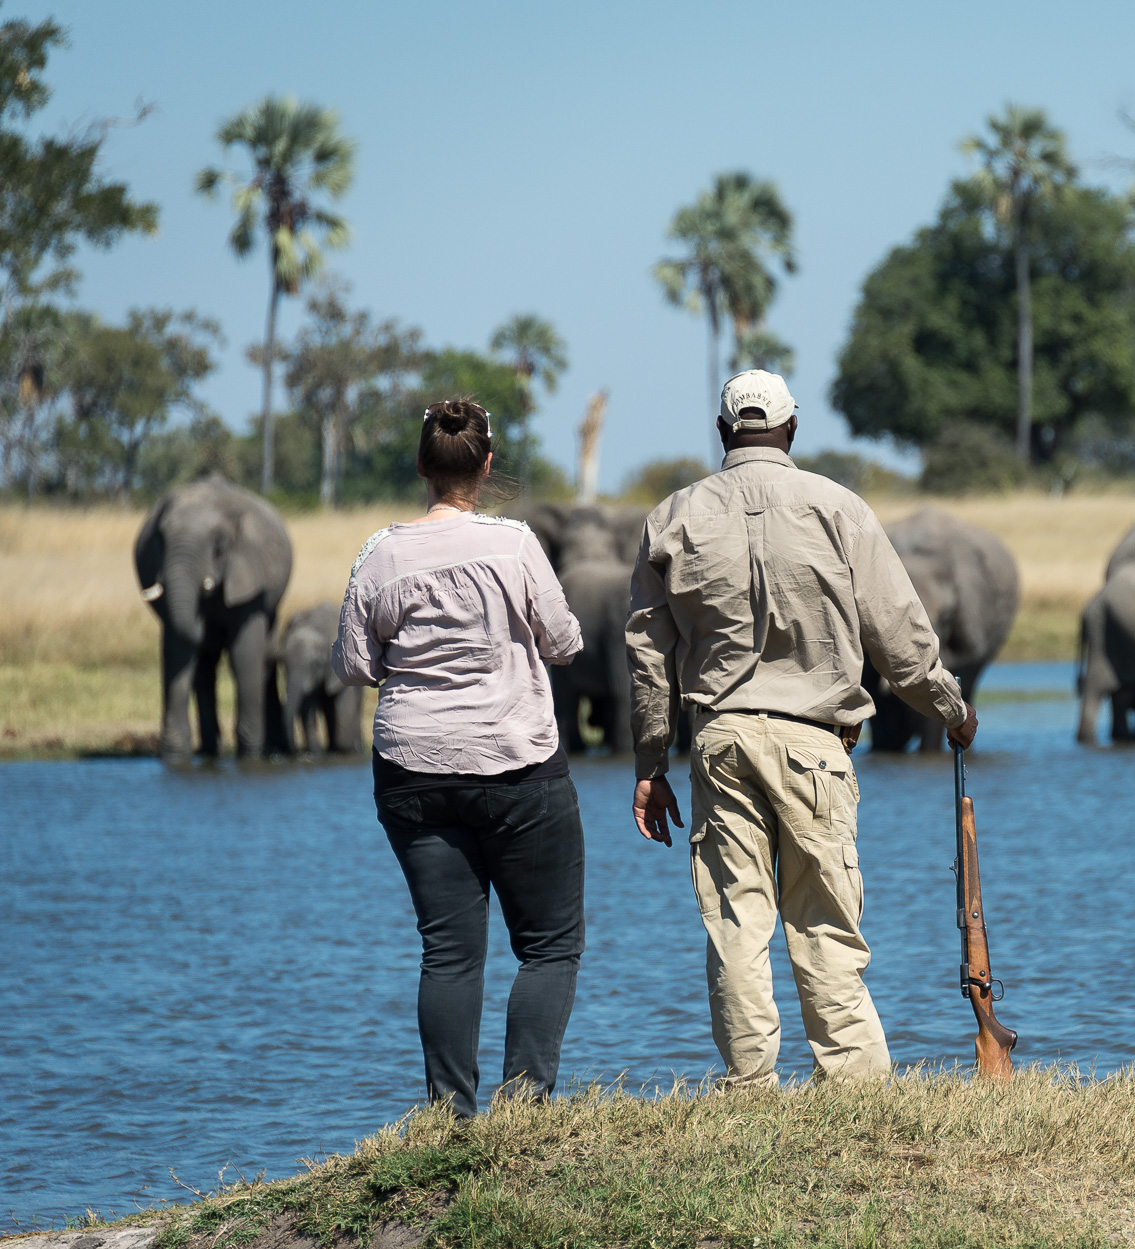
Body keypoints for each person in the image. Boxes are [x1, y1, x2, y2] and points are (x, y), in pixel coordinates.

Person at [625, 369, 979, 1086]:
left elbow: (647, 654)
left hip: (719, 743)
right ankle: (854, 1088)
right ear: (790, 429)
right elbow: (901, 640)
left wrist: (649, 764)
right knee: (823, 921)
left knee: (736, 925)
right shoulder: (839, 508)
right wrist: (952, 710)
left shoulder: (672, 518)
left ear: (723, 433)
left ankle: (751, 1087)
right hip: (815, 746)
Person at [332, 398, 586, 1118]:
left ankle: (449, 1118)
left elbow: (354, 665)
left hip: (413, 772)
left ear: (422, 465)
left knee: (448, 951)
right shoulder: (515, 543)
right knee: (548, 946)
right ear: (486, 465)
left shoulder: (379, 552)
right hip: (520, 766)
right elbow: (564, 643)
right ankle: (524, 1106)